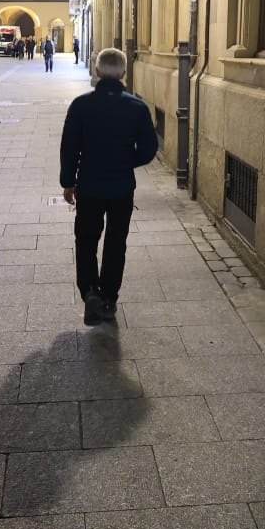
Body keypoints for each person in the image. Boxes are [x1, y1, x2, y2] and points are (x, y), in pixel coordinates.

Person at [59, 47, 158, 325]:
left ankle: (90, 290)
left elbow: (69, 147)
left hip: (89, 186)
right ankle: (109, 296)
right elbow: (150, 148)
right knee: (116, 242)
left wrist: (68, 182)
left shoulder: (81, 105)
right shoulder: (137, 107)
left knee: (87, 240)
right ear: (124, 73)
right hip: (121, 188)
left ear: (98, 71)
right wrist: (128, 161)